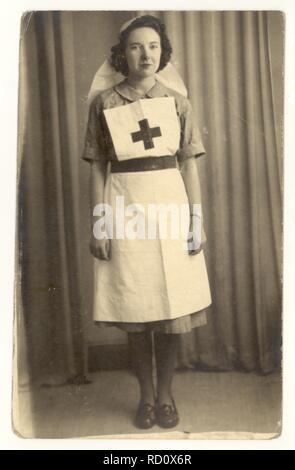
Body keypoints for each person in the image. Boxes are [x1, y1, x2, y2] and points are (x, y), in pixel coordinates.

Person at [82, 15, 212, 430]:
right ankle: (145, 398)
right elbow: (99, 169)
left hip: (170, 206)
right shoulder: (103, 103)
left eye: (153, 46)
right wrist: (100, 224)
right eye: (137, 47)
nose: (146, 55)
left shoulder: (178, 102)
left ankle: (167, 396)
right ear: (123, 54)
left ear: (163, 52)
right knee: (136, 307)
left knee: (171, 308)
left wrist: (196, 220)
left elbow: (189, 166)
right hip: (125, 207)